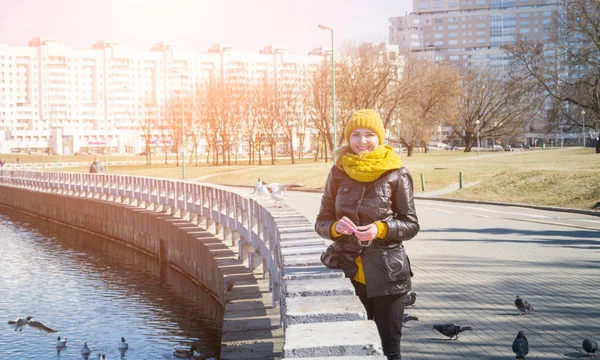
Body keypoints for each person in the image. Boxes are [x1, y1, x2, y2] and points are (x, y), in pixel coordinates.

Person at [315, 109, 420, 360]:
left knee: (389, 349)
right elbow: (322, 221)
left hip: (388, 277)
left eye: (369, 134)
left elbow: (411, 224)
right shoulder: (337, 172)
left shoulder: (397, 172)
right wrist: (334, 227)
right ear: (348, 138)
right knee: (352, 348)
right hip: (348, 271)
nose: (362, 141)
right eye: (355, 135)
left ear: (380, 137)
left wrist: (380, 229)